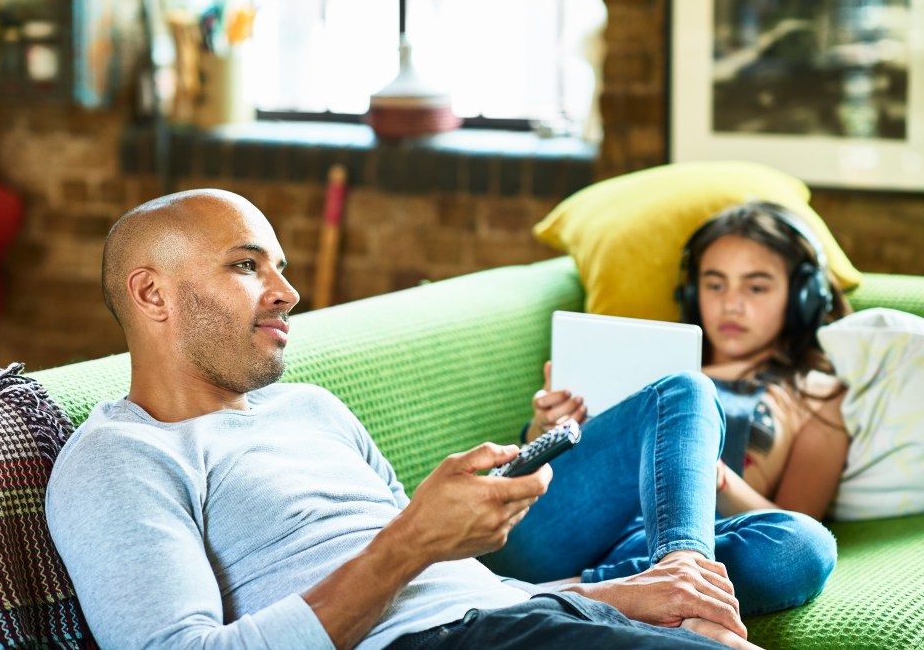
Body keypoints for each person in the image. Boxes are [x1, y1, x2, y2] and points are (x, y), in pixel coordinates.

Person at [46, 189, 761, 650]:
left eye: (281, 268)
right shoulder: (119, 456)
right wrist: (413, 537)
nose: (287, 292)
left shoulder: (313, 408)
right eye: (246, 266)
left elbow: (458, 584)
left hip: (524, 617)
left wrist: (608, 595)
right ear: (152, 294)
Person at [487, 201, 842, 617]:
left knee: (804, 548)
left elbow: (794, 517)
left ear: (801, 297)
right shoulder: (659, 364)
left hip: (649, 544)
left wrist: (714, 478)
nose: (731, 304)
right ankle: (680, 574)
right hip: (564, 522)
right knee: (689, 389)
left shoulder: (816, 397)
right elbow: (555, 475)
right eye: (714, 285)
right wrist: (543, 428)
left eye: (756, 287)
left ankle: (563, 594)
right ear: (693, 293)